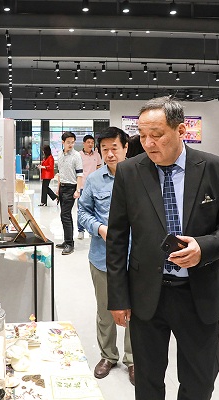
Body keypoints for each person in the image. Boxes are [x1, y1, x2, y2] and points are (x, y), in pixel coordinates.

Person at [106, 96, 219, 400]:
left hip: (198, 294)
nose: (148, 143)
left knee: (199, 382)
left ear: (181, 130)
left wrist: (203, 248)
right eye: (142, 135)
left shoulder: (214, 168)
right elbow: (117, 237)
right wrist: (118, 297)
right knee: (147, 381)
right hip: (147, 294)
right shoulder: (130, 172)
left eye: (157, 135)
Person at [78, 127, 134, 386]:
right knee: (105, 310)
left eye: (115, 148)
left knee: (136, 311)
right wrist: (100, 228)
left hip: (136, 258)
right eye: (105, 149)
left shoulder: (141, 176)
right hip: (102, 257)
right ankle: (108, 356)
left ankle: (132, 359)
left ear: (125, 148)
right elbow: (82, 213)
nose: (110, 154)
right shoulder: (94, 180)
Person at [56, 131, 83, 255]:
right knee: (64, 215)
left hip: (71, 188)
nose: (71, 144)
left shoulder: (76, 156)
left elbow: (80, 174)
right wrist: (58, 188)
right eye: (68, 142)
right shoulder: (60, 154)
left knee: (65, 215)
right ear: (63, 142)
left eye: (72, 142)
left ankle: (69, 244)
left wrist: (78, 190)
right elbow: (60, 173)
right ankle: (67, 241)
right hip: (62, 187)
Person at [77, 135, 102, 240]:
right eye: (88, 142)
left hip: (94, 186)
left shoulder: (97, 154)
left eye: (92, 142)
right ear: (84, 143)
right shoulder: (79, 155)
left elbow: (99, 167)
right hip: (82, 186)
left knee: (95, 209)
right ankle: (81, 230)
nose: (90, 144)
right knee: (81, 209)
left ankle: (92, 229)